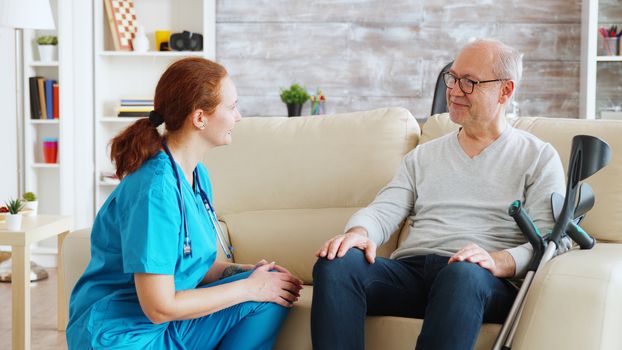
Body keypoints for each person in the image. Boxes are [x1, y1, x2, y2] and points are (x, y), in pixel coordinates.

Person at [311, 39, 567, 350]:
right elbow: (383, 209)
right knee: (336, 263)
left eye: (469, 82)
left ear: (505, 90)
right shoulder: (423, 156)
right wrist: (358, 232)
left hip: (480, 280)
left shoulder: (538, 157)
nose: (455, 90)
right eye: (453, 77)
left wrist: (496, 261)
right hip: (414, 272)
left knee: (462, 274)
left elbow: (549, 242)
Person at [67, 57, 302, 349]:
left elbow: (194, 266)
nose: (238, 117)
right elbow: (158, 307)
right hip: (121, 336)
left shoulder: (197, 175)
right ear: (200, 117)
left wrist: (250, 274)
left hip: (165, 328)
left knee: (270, 296)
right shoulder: (155, 190)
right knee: (256, 292)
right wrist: (248, 287)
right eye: (232, 107)